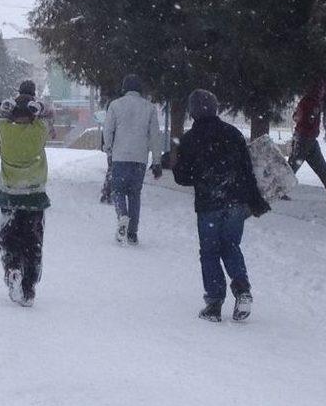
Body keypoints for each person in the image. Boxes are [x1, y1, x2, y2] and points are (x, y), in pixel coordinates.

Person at [173, 89, 270, 323]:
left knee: (209, 252)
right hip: (236, 202)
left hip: (209, 204)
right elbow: (247, 171)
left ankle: (214, 303)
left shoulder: (189, 139)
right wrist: (255, 200)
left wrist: (181, 165)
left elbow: (182, 177)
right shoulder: (233, 133)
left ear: (193, 111)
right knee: (231, 246)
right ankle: (242, 290)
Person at [0, 87, 51, 307]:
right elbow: (46, 118)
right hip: (34, 196)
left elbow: (0, 118)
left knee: (9, 239)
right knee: (33, 241)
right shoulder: (38, 132)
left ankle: (12, 269)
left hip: (10, 195)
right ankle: (28, 288)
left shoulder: (5, 131)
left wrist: (6, 108)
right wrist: (37, 110)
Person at [103, 74, 162, 245]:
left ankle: (122, 216)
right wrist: (156, 161)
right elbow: (155, 136)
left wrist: (108, 149)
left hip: (120, 156)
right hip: (140, 158)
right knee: (135, 194)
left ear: (125, 88)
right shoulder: (149, 108)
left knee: (119, 191)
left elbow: (108, 130)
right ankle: (132, 232)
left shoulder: (115, 105)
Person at [287, 82, 326, 201]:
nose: (323, 92)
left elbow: (295, 116)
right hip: (305, 138)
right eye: (321, 89)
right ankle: (279, 189)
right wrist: (311, 116)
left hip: (308, 139)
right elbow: (304, 119)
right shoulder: (311, 102)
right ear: (317, 90)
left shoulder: (307, 100)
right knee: (293, 165)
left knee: (320, 166)